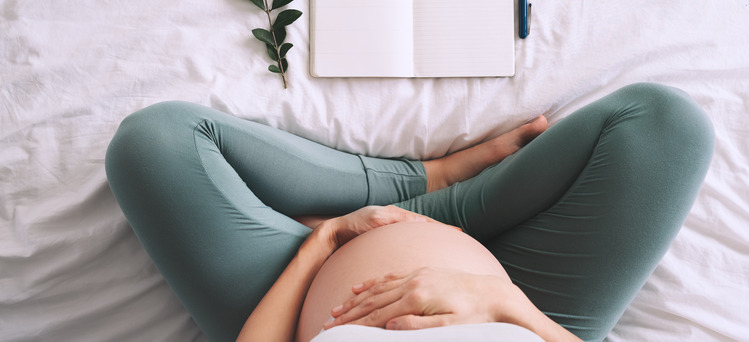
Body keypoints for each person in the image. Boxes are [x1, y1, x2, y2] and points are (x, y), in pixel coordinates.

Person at [105, 83, 714, 342]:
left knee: (154, 143)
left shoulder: (318, 255)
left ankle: (425, 186)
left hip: (298, 288)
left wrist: (324, 245)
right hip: (528, 304)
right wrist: (499, 304)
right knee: (666, 124)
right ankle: (448, 192)